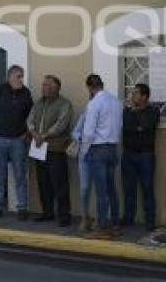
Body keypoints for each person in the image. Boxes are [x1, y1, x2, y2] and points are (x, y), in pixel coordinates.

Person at [0, 65, 33, 220]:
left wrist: (26, 134)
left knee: (20, 175)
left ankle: (22, 208)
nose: (21, 79)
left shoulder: (26, 93)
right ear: (10, 77)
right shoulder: (0, 91)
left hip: (17, 140)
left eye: (22, 76)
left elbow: (31, 116)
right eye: (18, 76)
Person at [81, 74, 124, 239]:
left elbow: (88, 132)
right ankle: (115, 224)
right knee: (111, 188)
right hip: (113, 148)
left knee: (101, 191)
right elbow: (119, 125)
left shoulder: (94, 104)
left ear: (90, 88)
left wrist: (85, 151)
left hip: (98, 149)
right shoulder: (116, 101)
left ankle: (101, 227)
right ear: (101, 84)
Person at [27, 75, 73, 226]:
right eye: (43, 85)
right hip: (39, 149)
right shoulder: (39, 102)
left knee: (59, 183)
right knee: (43, 182)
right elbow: (30, 120)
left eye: (47, 85)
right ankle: (47, 212)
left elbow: (61, 124)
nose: (43, 88)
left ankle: (64, 216)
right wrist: (34, 133)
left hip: (55, 149)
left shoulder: (64, 104)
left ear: (55, 88)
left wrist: (44, 135)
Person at [121, 83, 160, 231]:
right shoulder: (126, 111)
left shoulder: (153, 111)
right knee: (128, 189)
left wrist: (137, 125)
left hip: (146, 155)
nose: (132, 96)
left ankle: (150, 220)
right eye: (132, 93)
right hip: (128, 155)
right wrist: (137, 127)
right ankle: (128, 218)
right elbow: (127, 127)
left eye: (136, 93)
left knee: (147, 189)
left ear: (144, 96)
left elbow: (147, 125)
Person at [72, 91, 97, 233]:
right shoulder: (85, 115)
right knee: (84, 187)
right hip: (84, 156)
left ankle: (99, 217)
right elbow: (75, 132)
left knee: (101, 187)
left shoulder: (103, 118)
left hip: (98, 155)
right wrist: (80, 138)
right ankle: (84, 216)